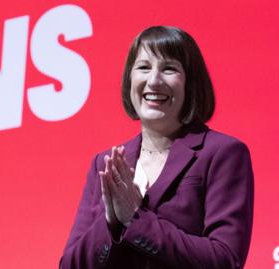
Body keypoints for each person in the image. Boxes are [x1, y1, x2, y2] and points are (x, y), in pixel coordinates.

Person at [60, 26, 254, 269]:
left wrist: (135, 218)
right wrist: (111, 222)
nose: (154, 80)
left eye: (169, 68)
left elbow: (225, 260)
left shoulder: (222, 153)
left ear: (190, 83)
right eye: (143, 67)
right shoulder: (105, 163)